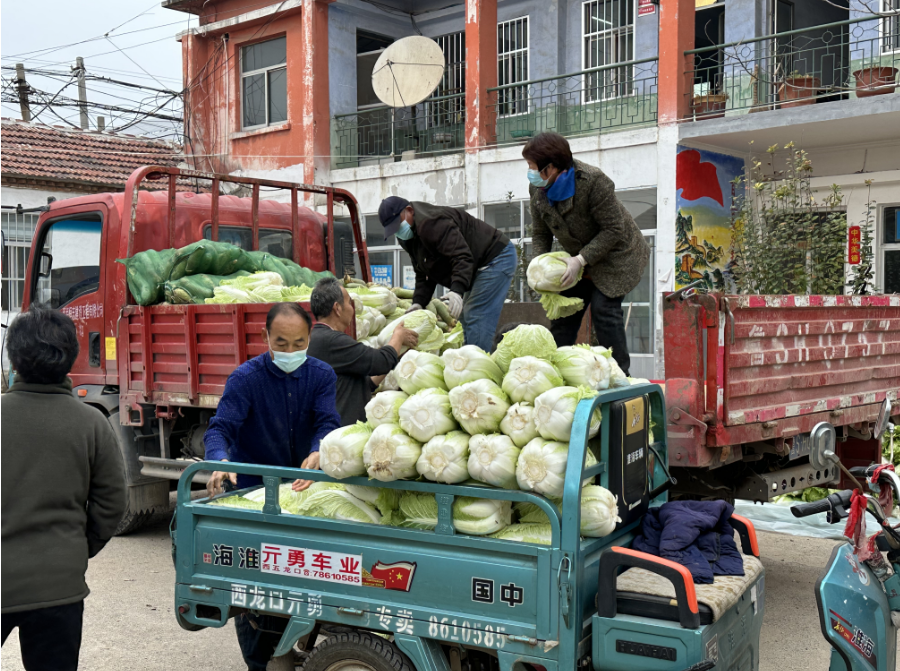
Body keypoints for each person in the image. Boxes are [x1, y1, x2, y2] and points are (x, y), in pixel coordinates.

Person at [203, 302, 341, 671]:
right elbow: (220, 428)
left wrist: (318, 451)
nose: (291, 351)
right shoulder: (245, 378)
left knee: (297, 580)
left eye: (299, 343)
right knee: (255, 594)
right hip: (253, 497)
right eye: (282, 342)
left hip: (301, 493)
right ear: (265, 338)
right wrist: (219, 460)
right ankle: (260, 662)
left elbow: (328, 421)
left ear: (310, 338)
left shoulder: (322, 375)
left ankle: (285, 648)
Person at [2, 308, 126, 671]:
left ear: (14, 357)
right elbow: (113, 503)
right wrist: (76, 548)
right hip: (59, 586)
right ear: (71, 356)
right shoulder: (91, 423)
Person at [524, 132, 650, 375]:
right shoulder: (537, 189)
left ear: (550, 167)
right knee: (564, 312)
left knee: (604, 310)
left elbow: (614, 229)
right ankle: (555, 372)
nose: (529, 171)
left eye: (531, 166)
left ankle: (619, 376)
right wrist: (538, 265)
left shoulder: (593, 182)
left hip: (618, 255)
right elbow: (541, 233)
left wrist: (580, 259)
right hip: (577, 261)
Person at [378, 196, 518, 352]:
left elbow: (461, 256)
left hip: (495, 257)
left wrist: (456, 291)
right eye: (393, 229)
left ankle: (477, 367)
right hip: (476, 264)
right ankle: (474, 360)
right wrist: (419, 301)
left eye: (398, 225)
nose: (398, 231)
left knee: (476, 314)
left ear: (409, 211)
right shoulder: (408, 237)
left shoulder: (432, 223)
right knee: (465, 318)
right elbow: (423, 271)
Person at [308, 276, 418, 425]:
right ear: (337, 308)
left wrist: (396, 353)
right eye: (349, 303)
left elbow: (364, 384)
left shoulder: (322, 338)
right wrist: (398, 336)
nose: (351, 308)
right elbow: (381, 361)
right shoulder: (332, 341)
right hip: (339, 435)